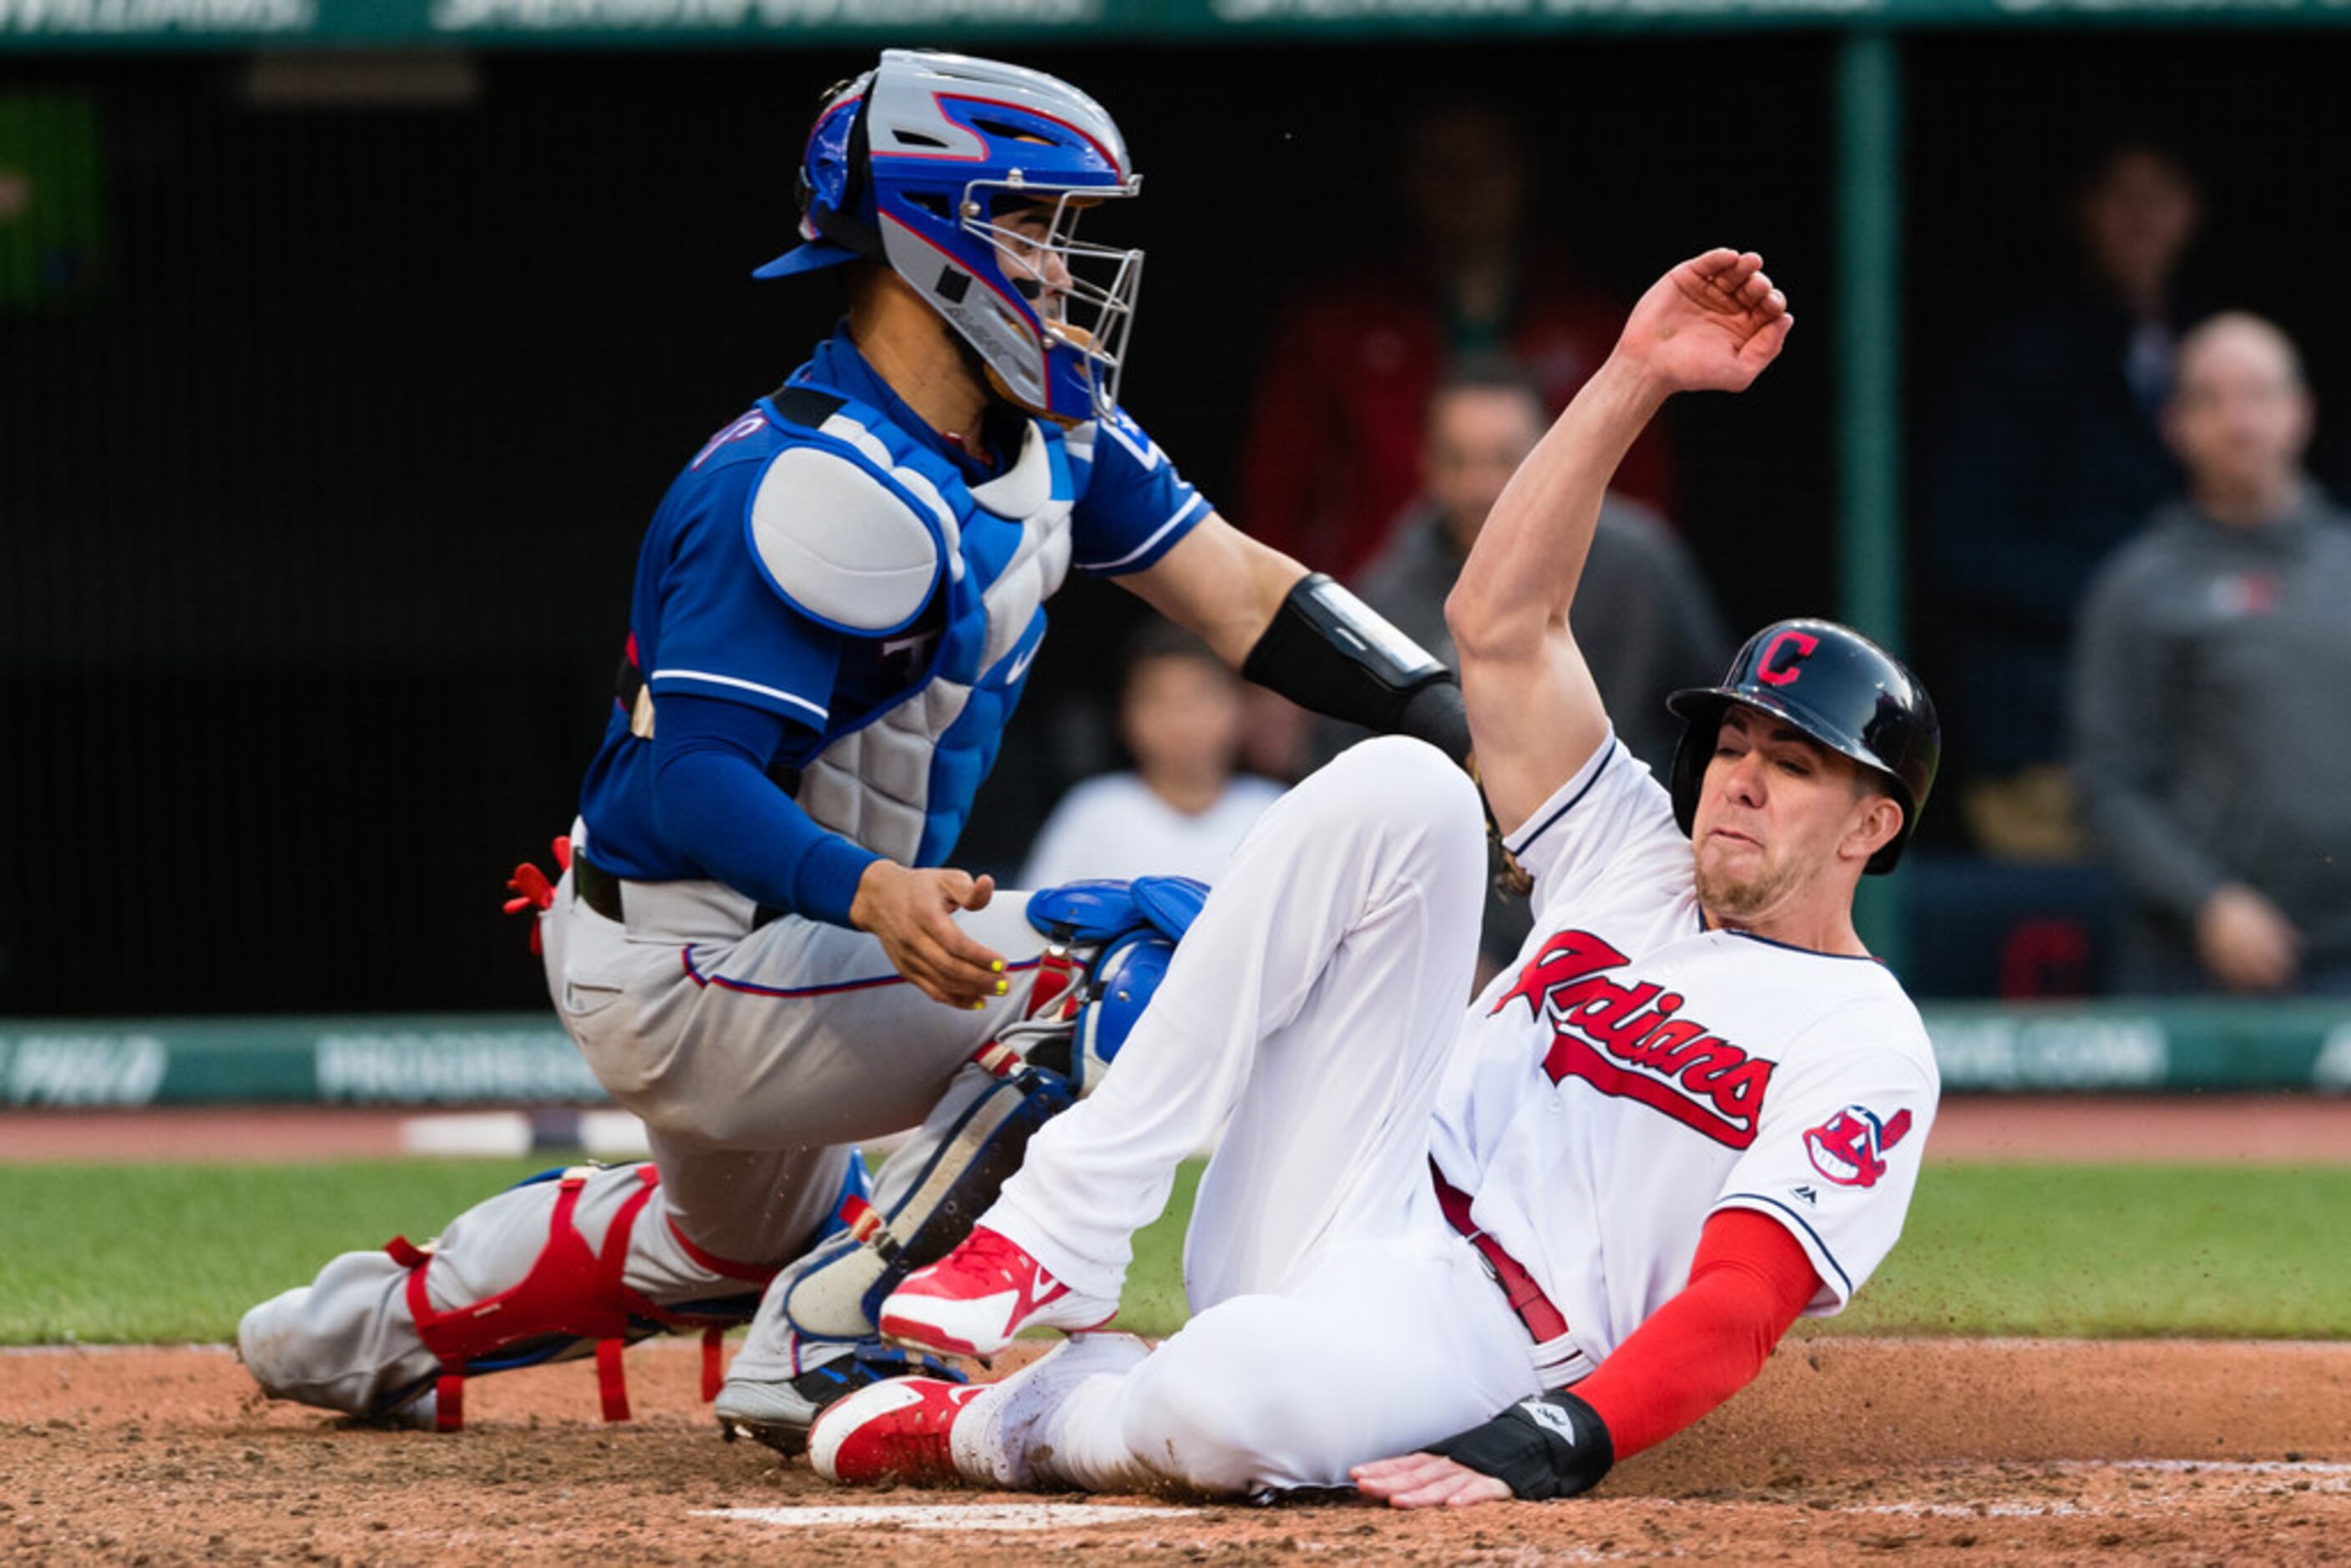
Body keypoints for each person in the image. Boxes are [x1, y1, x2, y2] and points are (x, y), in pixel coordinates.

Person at [235, 49, 1474, 1453]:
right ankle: (835, 1332)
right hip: (701, 948)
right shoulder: (809, 484)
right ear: (927, 239)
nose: (1064, 270)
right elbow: (686, 782)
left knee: (743, 1235)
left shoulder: (1050, 429)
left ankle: (346, 1333)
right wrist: (872, 890)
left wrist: (1462, 724)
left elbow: (1248, 596)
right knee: (1145, 951)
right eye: (1031, 229)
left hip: (779, 947)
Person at [805, 250, 1945, 1508]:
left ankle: (1011, 1417)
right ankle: (1068, 1221)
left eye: (1793, 763)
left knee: (1224, 1404)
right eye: (1733, 743)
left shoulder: (1865, 1043)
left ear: (1871, 825)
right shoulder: (1635, 853)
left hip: (1485, 1335)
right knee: (1408, 782)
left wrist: (1573, 1430)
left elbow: (1744, 1294)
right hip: (1348, 1178)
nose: (1741, 774)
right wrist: (1631, 378)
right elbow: (1502, 626)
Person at [1312, 360, 1728, 982]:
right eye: (1459, 460)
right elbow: (1345, 794)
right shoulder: (1383, 599)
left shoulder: (1642, 563)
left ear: (1549, 452)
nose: (1483, 485)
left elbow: (1721, 735)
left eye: (1507, 458)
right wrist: (1437, 950)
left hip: (1645, 915)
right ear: (1426, 464)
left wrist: (1690, 900)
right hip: (1457, 953)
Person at [1238, 103, 1673, 585]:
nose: (1463, 188)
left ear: (1524, 173)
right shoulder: (1334, 325)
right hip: (1372, 613)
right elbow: (1277, 499)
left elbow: (1639, 496)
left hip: (1564, 607)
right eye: (1441, 168)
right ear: (1408, 179)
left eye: (1485, 165)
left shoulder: (1596, 325)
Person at [1920, 138, 2203, 859]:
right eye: (2122, 198)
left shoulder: (2214, 355)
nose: (2143, 220)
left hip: (2204, 752)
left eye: (2161, 197)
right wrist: (2133, 597)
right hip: (2048, 745)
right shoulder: (2021, 362)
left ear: (2192, 213)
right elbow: (1963, 549)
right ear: (2083, 212)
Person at [2070, 312, 2351, 997]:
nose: (2240, 421)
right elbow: (2106, 786)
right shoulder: (2137, 585)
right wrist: (2209, 904)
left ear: (2301, 411)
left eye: (2259, 394)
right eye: (2210, 399)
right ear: (2174, 424)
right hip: (2191, 965)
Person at [1018, 621, 1286, 888]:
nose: (1181, 721)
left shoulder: (1273, 812)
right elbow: (1038, 910)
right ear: (1126, 715)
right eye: (1159, 701)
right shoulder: (1093, 812)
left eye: (1198, 699)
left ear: (1238, 709)